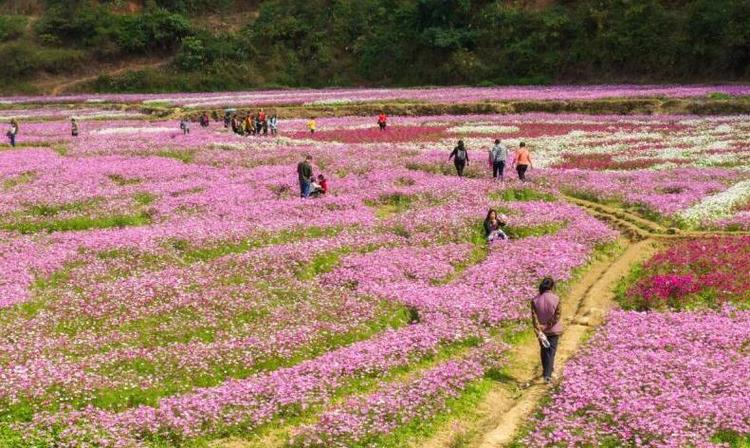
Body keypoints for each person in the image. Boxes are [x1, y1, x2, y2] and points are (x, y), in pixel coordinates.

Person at [531, 277, 562, 384]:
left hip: (541, 331)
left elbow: (534, 317)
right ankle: (547, 375)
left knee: (544, 351)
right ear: (552, 286)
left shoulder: (535, 300)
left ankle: (546, 372)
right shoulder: (556, 298)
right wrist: (548, 325)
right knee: (551, 352)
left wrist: (539, 328)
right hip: (553, 330)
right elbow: (557, 315)